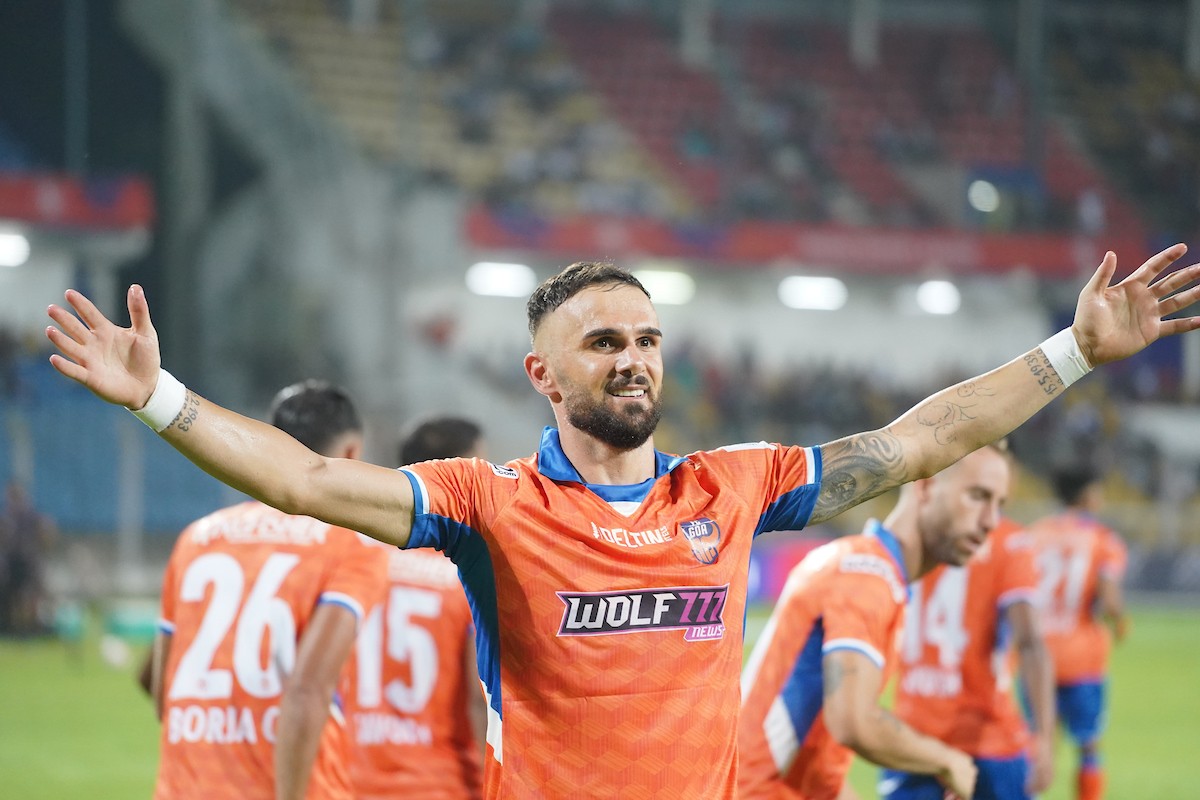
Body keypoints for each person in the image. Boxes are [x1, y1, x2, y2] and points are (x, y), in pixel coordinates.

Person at [44, 244, 1200, 799]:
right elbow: (302, 480)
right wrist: (156, 394)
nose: (634, 359)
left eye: (646, 339)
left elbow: (924, 438)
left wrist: (1074, 352)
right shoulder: (486, 504)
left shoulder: (735, 486)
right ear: (544, 374)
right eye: (605, 341)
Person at [148, 381, 388, 800]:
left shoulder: (198, 538)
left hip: (186, 785)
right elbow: (307, 690)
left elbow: (163, 688)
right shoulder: (348, 544)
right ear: (351, 455)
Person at [739, 444, 1007, 800]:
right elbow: (854, 722)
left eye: (999, 504)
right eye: (977, 496)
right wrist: (947, 761)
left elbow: (816, 759)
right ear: (924, 486)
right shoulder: (867, 574)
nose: (991, 521)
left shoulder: (870, 570)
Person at [343, 416, 488, 800]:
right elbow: (479, 699)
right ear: (457, 477)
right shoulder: (467, 576)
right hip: (441, 784)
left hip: (350, 780)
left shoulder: (351, 559)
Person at [882, 508, 1056, 800]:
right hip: (989, 739)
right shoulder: (1009, 540)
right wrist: (1045, 740)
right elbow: (1030, 643)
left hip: (911, 734)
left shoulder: (902, 537)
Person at [1025, 468, 1128, 800]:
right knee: (1088, 744)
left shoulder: (1035, 534)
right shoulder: (1102, 538)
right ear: (1086, 495)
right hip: (1082, 656)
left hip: (1036, 653)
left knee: (1039, 741)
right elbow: (1110, 598)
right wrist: (1120, 621)